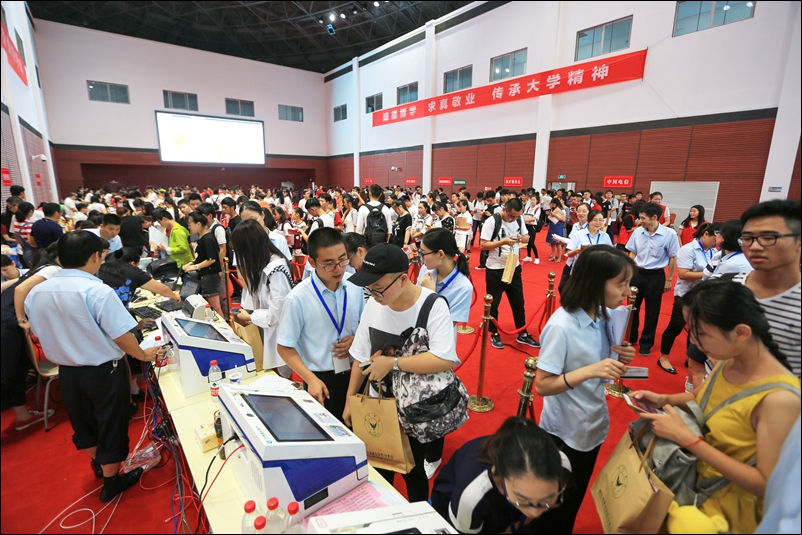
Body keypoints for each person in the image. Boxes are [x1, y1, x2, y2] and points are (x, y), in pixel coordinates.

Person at [630, 280, 801, 533]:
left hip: (726, 513)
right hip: (691, 487)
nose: (693, 342)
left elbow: (766, 484)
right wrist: (664, 400)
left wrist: (688, 440)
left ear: (741, 333)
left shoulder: (780, 400)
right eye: (690, 331)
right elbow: (701, 397)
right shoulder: (728, 362)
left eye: (701, 334)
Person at [24, 231, 164, 502]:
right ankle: (112, 481)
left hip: (66, 371)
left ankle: (100, 464)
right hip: (103, 370)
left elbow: (39, 331)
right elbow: (121, 336)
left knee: (84, 423)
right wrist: (143, 355)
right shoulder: (97, 291)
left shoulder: (37, 291)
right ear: (94, 256)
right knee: (111, 422)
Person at [344, 243, 460, 503]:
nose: (373, 294)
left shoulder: (432, 305)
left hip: (416, 408)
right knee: (379, 467)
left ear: (403, 279)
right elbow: (360, 356)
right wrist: (350, 401)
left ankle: (418, 513)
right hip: (379, 403)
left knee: (413, 469)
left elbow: (443, 357)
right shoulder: (375, 304)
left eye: (378, 288)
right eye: (369, 288)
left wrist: (392, 363)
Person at [535, 245, 637, 533]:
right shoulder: (562, 326)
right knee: (552, 508)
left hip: (592, 423)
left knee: (572, 502)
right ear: (595, 283)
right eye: (621, 284)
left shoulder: (603, 316)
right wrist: (591, 370)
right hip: (564, 432)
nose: (627, 291)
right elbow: (542, 385)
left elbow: (603, 365)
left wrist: (621, 357)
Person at [276, 228, 365, 423]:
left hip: (356, 372)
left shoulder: (354, 286)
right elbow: (284, 347)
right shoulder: (297, 299)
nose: (338, 268)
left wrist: (356, 339)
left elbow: (364, 326)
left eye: (343, 260)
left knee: (359, 432)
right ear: (312, 262)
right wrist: (310, 379)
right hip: (320, 380)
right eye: (329, 264)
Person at [432, 417, 572, 534]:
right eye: (522, 499)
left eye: (547, 499)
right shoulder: (471, 496)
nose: (535, 513)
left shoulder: (561, 465)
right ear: (503, 476)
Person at [418, 228, 473, 479]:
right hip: (417, 342)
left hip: (439, 350)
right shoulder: (426, 270)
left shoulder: (463, 286)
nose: (421, 259)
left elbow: (444, 324)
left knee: (435, 401)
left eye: (424, 253)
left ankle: (433, 456)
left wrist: (429, 293)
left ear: (441, 254)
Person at [723, 199, 800, 377]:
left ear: (799, 242)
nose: (755, 247)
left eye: (768, 238)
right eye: (747, 239)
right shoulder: (728, 285)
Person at [1, 244, 60, 430]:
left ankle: (22, 415)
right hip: (7, 322)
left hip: (9, 322)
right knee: (4, 376)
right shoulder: (53, 269)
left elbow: (11, 286)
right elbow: (20, 290)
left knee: (17, 370)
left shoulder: (38, 269)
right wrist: (22, 319)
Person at [230, 220, 294, 377]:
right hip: (267, 331)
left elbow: (277, 312)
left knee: (281, 377)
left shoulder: (276, 269)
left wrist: (250, 316)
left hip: (280, 336)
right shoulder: (262, 264)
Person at [658, 223, 718, 377]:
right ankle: (663, 358)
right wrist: (709, 274)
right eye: (715, 238)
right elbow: (684, 274)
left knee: (695, 329)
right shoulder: (688, 249)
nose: (716, 242)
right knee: (675, 326)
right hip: (685, 295)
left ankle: (690, 358)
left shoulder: (713, 251)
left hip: (702, 295)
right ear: (706, 234)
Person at [480, 198, 539, 350]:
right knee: (493, 303)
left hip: (514, 266)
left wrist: (520, 238)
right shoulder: (492, 221)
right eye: (511, 216)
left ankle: (522, 333)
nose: (513, 219)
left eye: (516, 216)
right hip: (495, 267)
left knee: (518, 302)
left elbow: (527, 237)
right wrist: (503, 242)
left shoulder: (519, 219)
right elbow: (483, 245)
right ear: (504, 209)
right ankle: (493, 332)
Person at [626, 202, 680, 356]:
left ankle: (646, 343)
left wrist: (668, 279)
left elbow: (673, 257)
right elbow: (632, 252)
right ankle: (631, 337)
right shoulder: (638, 232)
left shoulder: (669, 234)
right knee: (632, 308)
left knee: (652, 311)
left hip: (655, 276)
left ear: (654, 217)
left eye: (643, 218)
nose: (640, 221)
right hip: (637, 274)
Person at [181, 211, 224, 317]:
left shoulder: (208, 239)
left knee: (215, 308)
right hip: (204, 276)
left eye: (190, 224)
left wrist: (195, 266)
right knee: (208, 308)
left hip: (210, 277)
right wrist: (190, 264)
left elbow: (211, 259)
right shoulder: (202, 237)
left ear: (199, 224)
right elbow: (201, 257)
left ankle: (222, 325)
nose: (189, 227)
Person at [560, 209, 613, 294]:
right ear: (588, 221)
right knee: (578, 295)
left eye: (600, 220)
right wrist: (577, 251)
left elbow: (611, 254)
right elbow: (569, 254)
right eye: (595, 220)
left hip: (598, 271)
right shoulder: (578, 234)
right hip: (581, 270)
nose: (598, 223)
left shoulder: (605, 236)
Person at [522, 190, 541, 263]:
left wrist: (525, 220)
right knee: (527, 242)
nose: (532, 201)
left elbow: (534, 218)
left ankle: (537, 257)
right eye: (531, 200)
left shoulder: (537, 209)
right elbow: (524, 215)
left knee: (532, 243)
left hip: (533, 227)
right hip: (527, 226)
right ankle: (529, 256)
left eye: (534, 200)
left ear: (537, 201)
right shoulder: (528, 208)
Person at [545, 198, 566, 263]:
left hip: (558, 226)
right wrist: (549, 215)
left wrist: (555, 215)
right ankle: (553, 256)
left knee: (558, 243)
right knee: (552, 242)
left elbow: (563, 219)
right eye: (551, 204)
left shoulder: (562, 210)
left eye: (553, 204)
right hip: (552, 226)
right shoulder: (552, 209)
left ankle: (559, 257)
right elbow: (550, 219)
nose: (552, 205)